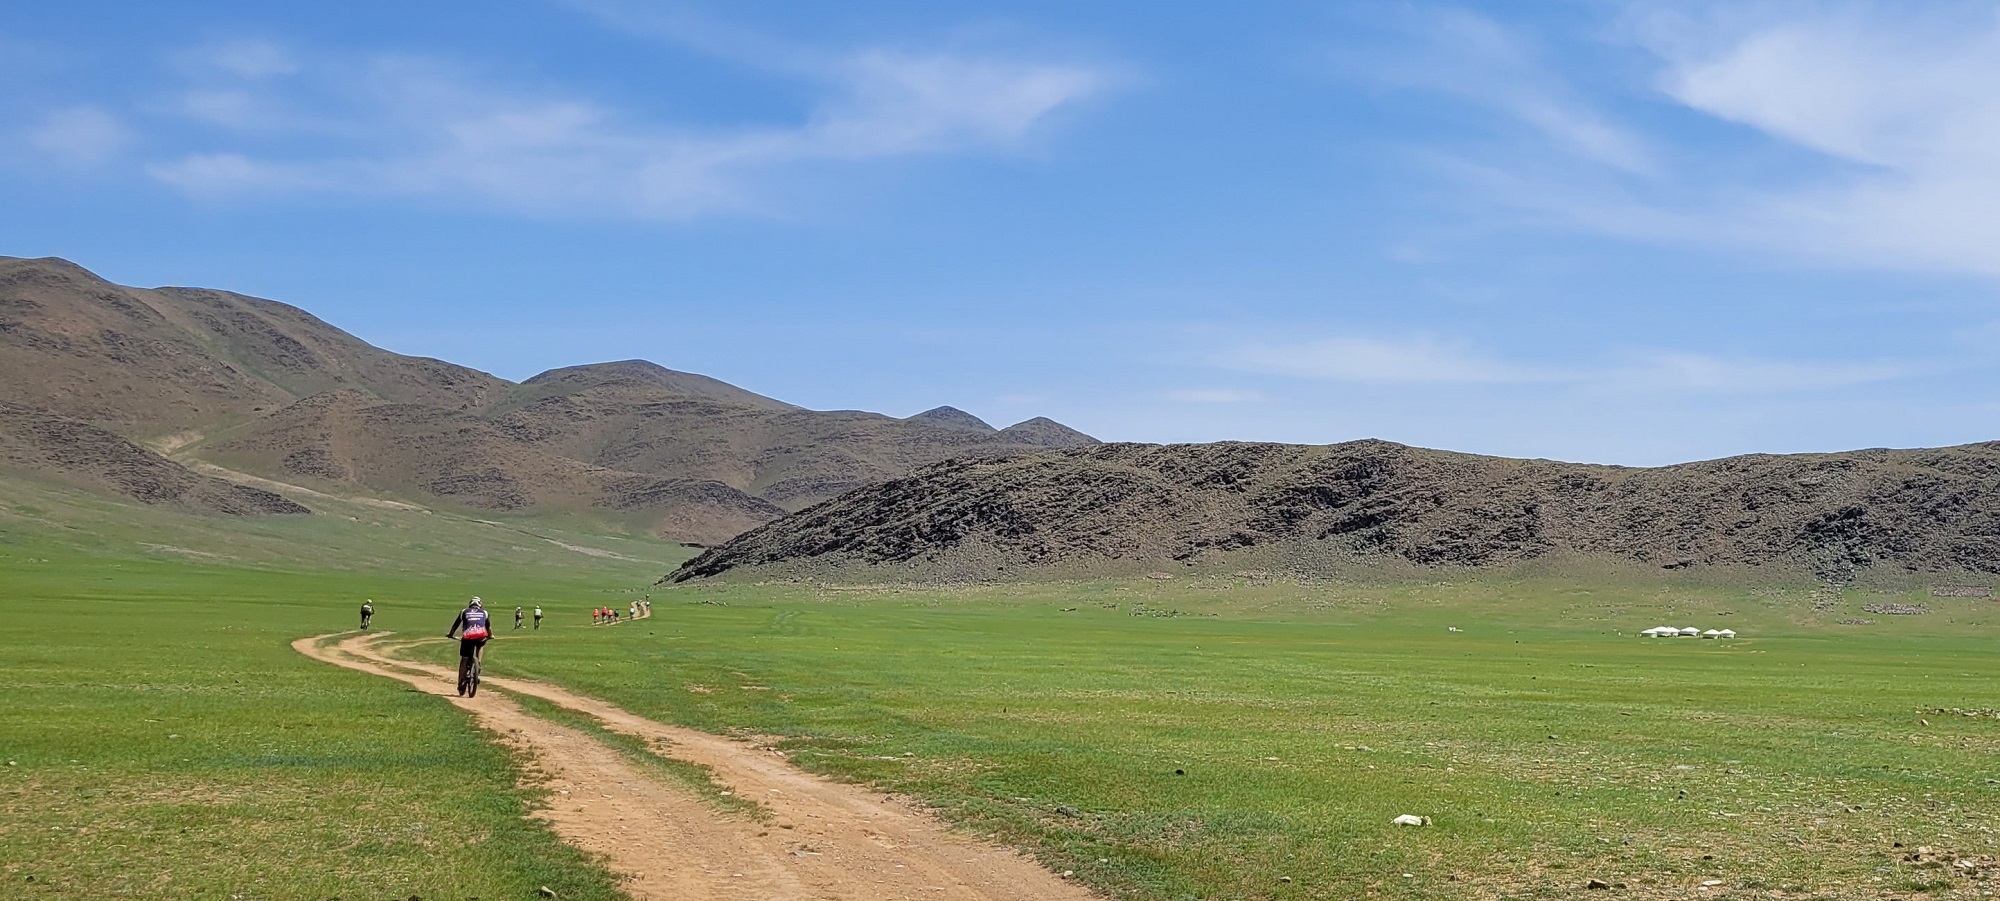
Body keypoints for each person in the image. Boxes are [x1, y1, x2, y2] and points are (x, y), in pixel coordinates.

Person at [445, 597, 492, 697]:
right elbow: (488, 627)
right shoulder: (485, 612)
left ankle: (461, 679)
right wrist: (490, 636)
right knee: (480, 646)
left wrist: (450, 634)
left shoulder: (464, 611)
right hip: (480, 637)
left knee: (465, 658)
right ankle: (478, 663)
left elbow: (455, 625)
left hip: (467, 637)